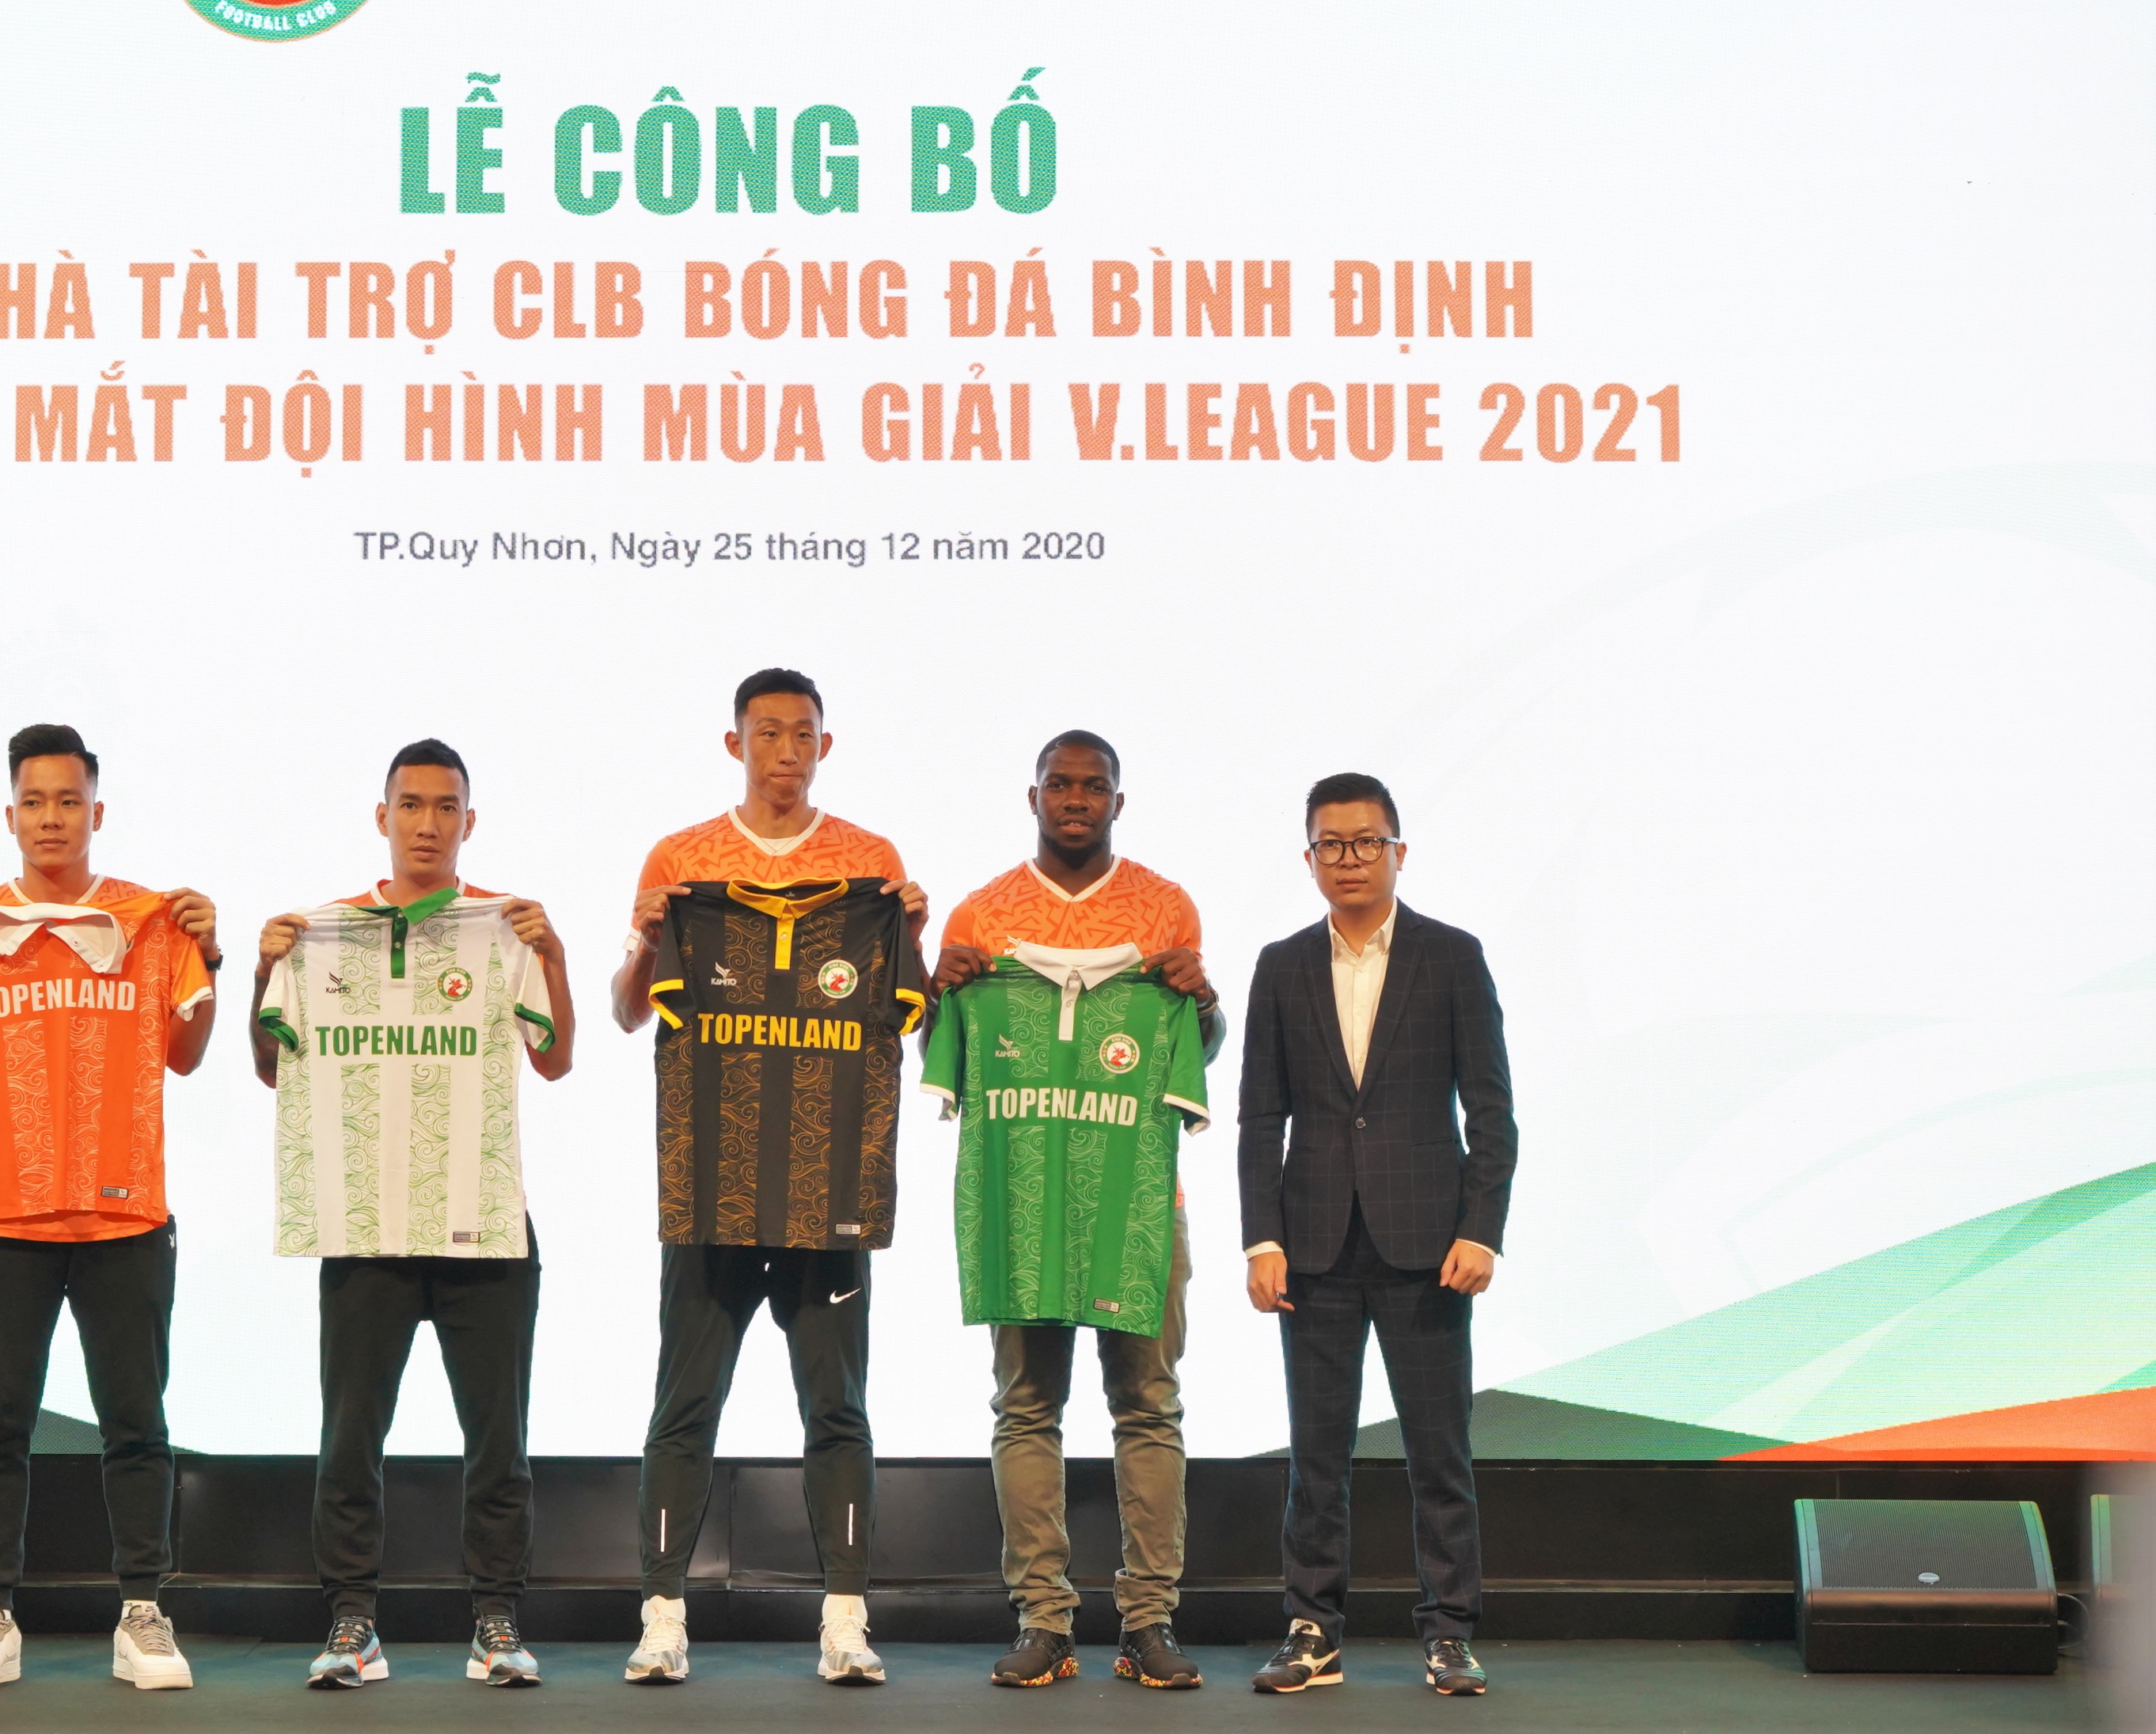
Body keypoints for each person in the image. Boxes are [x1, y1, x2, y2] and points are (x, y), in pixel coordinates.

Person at [608, 668, 927, 1687]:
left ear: (824, 746)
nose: (785, 751)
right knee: (684, 1406)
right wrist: (649, 938)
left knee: (837, 1410)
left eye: (802, 735)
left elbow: (910, 1015)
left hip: (828, 1194)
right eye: (767, 733)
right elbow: (628, 1010)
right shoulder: (682, 861)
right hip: (712, 1188)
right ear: (735, 743)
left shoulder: (872, 866)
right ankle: (662, 1615)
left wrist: (909, 931)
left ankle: (846, 1619)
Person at [249, 738, 576, 1690]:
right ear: (381, 816)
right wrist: (259, 975)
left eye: (445, 807)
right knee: (350, 1441)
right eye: (411, 805)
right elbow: (273, 1069)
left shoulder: (507, 926)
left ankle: (497, 1624)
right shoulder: (319, 931)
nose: (427, 824)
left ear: (469, 821)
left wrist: (555, 955)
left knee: (498, 1443)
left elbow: (555, 1062)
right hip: (361, 1226)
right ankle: (353, 1623)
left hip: (485, 1222)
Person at [0, 724, 222, 1693]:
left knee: (137, 1423)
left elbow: (186, 1054)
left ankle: (143, 1612)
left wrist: (210, 955)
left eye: (69, 801)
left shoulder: (152, 919)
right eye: (34, 802)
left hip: (125, 1217)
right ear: (11, 815)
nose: (52, 818)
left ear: (96, 811)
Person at [928, 731, 1224, 1691]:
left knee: (1149, 1405)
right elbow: (945, 1056)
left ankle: (1149, 1622)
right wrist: (940, 998)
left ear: (1117, 803)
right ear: (1034, 796)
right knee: (1026, 1407)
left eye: (1095, 787)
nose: (1076, 799)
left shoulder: (1167, 906)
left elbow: (1196, 1046)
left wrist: (1204, 1004)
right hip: (1023, 1204)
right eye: (1061, 784)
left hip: (1140, 1204)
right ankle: (1043, 1622)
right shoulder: (981, 916)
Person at [1238, 773, 1516, 1698]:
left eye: (1367, 842)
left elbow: (1492, 1110)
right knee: (1315, 1457)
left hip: (1428, 1247)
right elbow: (1260, 1117)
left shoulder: (1453, 956)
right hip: (1313, 1247)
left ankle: (1449, 1632)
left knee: (1439, 1453)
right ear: (1309, 857)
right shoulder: (1282, 964)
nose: (1349, 859)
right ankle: (1312, 1630)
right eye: (1332, 844)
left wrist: (1482, 1231)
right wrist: (1262, 1240)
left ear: (1400, 851)